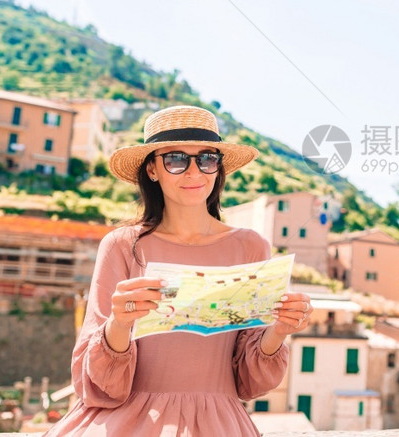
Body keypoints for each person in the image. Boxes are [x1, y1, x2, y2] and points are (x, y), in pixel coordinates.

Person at [46, 106, 312, 436]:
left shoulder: (251, 247)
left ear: (218, 168)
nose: (194, 172)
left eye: (207, 159)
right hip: (127, 423)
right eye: (175, 159)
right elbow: (98, 385)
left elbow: (251, 383)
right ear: (153, 169)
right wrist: (121, 322)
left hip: (219, 423)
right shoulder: (122, 245)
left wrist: (280, 330)